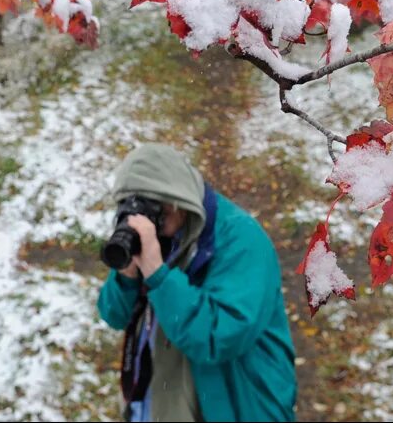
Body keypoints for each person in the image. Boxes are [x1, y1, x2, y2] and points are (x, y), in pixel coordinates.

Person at [97, 143, 296, 422]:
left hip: (237, 402)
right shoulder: (164, 234)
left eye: (157, 212)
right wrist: (127, 276)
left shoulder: (243, 241)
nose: (151, 222)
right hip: (162, 398)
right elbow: (114, 315)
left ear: (179, 200)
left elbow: (220, 336)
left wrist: (158, 276)